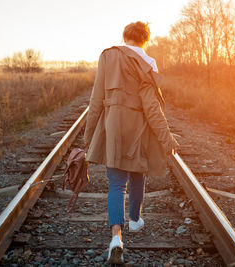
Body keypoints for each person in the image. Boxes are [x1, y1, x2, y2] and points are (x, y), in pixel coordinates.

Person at [84, 21, 178, 264]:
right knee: (138, 173)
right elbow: (152, 108)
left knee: (116, 183)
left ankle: (116, 237)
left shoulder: (107, 56)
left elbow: (96, 100)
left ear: (125, 36)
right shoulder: (148, 63)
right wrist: (166, 138)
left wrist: (88, 137)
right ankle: (135, 219)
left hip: (113, 126)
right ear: (145, 40)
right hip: (139, 127)